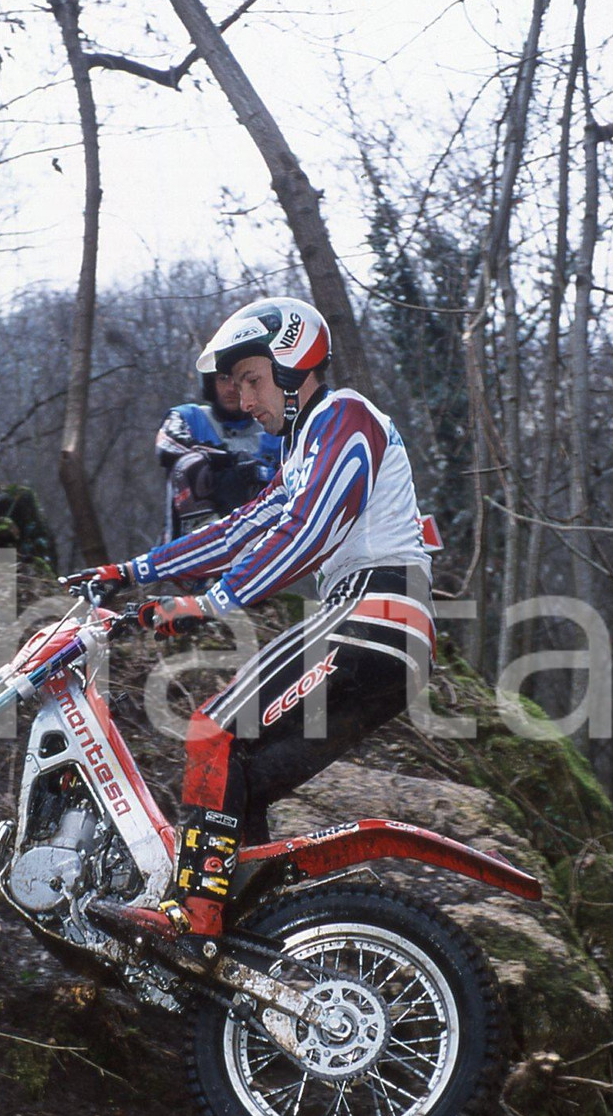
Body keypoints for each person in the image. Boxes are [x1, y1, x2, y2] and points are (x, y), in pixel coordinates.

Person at [68, 296, 438, 943]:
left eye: (252, 380)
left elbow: (311, 530)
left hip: (371, 613)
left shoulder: (345, 416)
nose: (241, 400)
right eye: (234, 385)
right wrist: (132, 570)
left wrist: (210, 602)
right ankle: (254, 934)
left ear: (295, 366)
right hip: (384, 643)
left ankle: (193, 913)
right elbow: (242, 526)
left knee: (212, 730)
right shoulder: (303, 450)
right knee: (244, 777)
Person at [156, 370, 283, 541]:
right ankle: (201, 540)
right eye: (223, 378)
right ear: (210, 382)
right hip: (189, 536)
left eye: (239, 379)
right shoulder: (189, 417)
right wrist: (229, 461)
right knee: (190, 463)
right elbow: (167, 446)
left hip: (259, 535)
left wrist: (256, 471)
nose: (231, 388)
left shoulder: (274, 431)